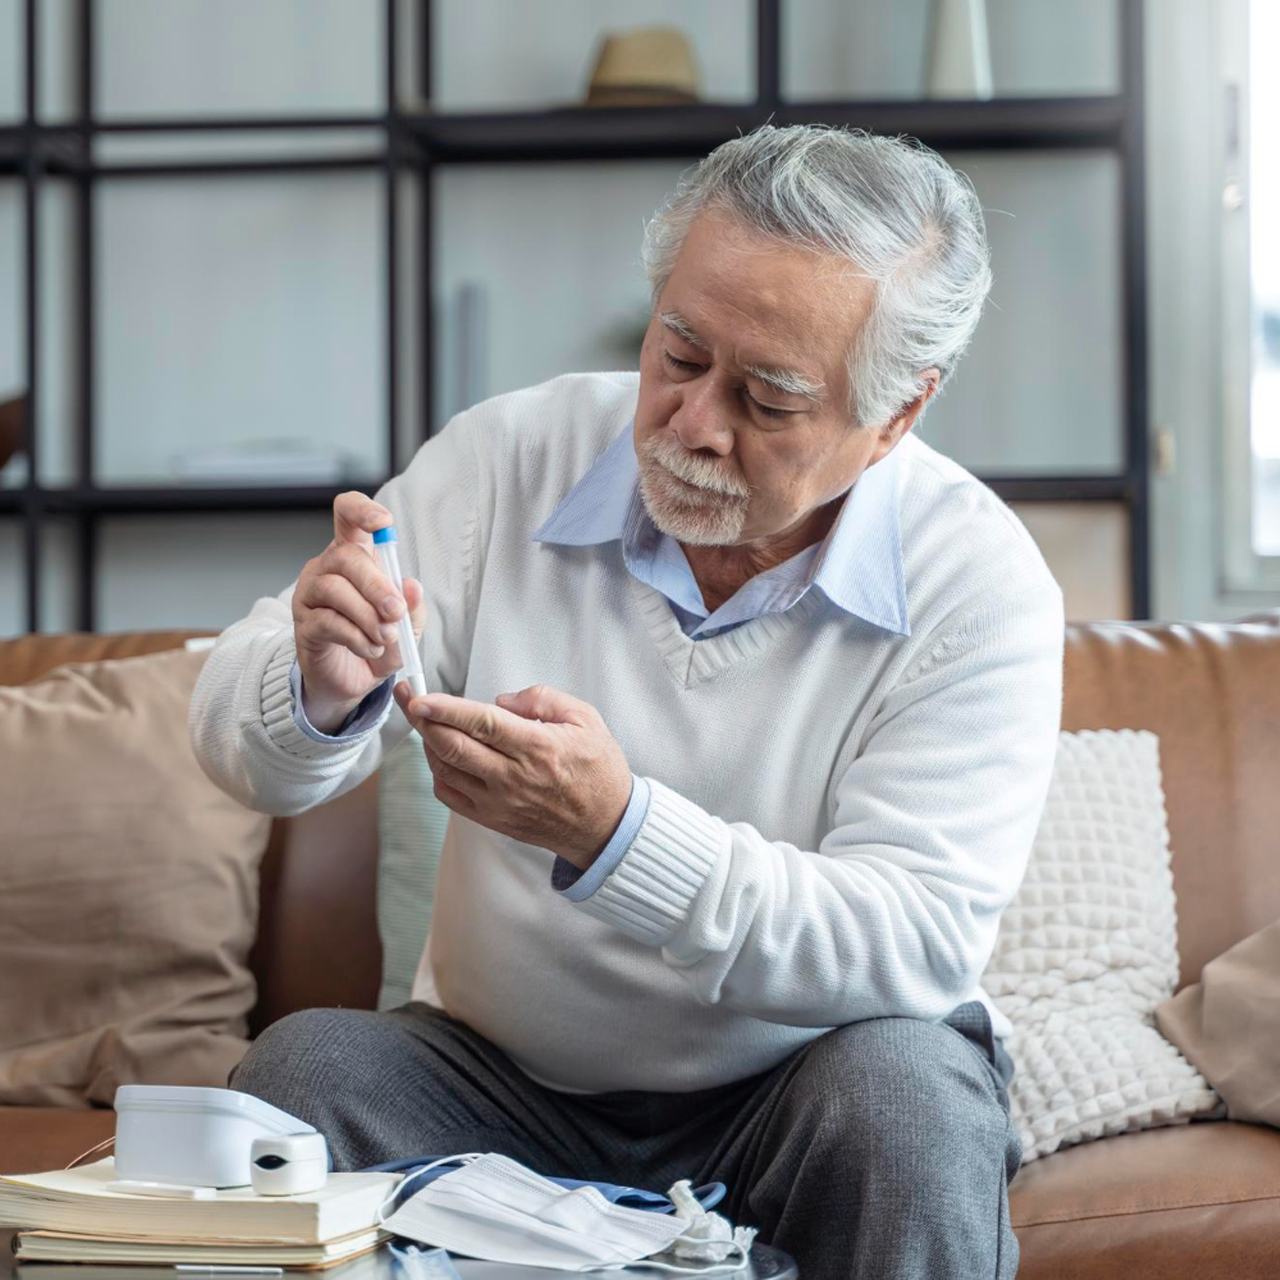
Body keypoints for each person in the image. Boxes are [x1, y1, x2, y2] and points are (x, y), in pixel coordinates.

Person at [190, 124, 1064, 1280]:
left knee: (907, 1101)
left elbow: (911, 945)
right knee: (302, 1076)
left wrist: (617, 833)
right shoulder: (508, 457)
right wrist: (315, 684)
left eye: (767, 398)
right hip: (494, 1081)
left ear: (896, 413)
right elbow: (244, 757)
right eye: (678, 352)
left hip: (798, 1089)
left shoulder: (978, 582)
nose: (692, 422)